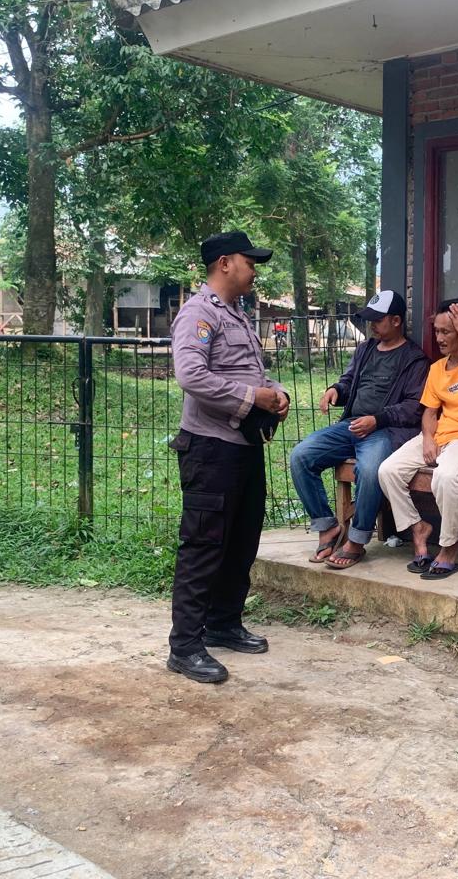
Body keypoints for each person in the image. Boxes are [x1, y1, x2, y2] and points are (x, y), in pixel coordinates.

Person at [166, 230, 290, 685]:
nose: (254, 270)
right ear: (224, 263)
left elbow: (250, 373)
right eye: (249, 261)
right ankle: (185, 646)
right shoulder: (199, 313)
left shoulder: (237, 314)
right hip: (210, 448)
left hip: (242, 447)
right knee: (203, 545)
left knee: (241, 540)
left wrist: (276, 392)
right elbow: (191, 375)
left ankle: (223, 623)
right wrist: (252, 398)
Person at [290, 290, 430, 569]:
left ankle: (356, 540)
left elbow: (414, 408)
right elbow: (349, 381)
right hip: (351, 426)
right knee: (301, 456)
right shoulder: (365, 350)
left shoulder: (414, 360)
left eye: (378, 320)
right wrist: (335, 390)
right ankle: (328, 526)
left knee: (369, 469)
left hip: (385, 431)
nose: (372, 325)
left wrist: (377, 420)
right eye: (370, 320)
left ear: (396, 321)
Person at [378, 299, 458, 579]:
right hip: (439, 436)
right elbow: (430, 413)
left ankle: (450, 545)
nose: (440, 338)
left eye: (447, 331)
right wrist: (428, 438)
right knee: (388, 471)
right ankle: (418, 528)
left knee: (445, 476)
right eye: (437, 331)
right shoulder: (436, 369)